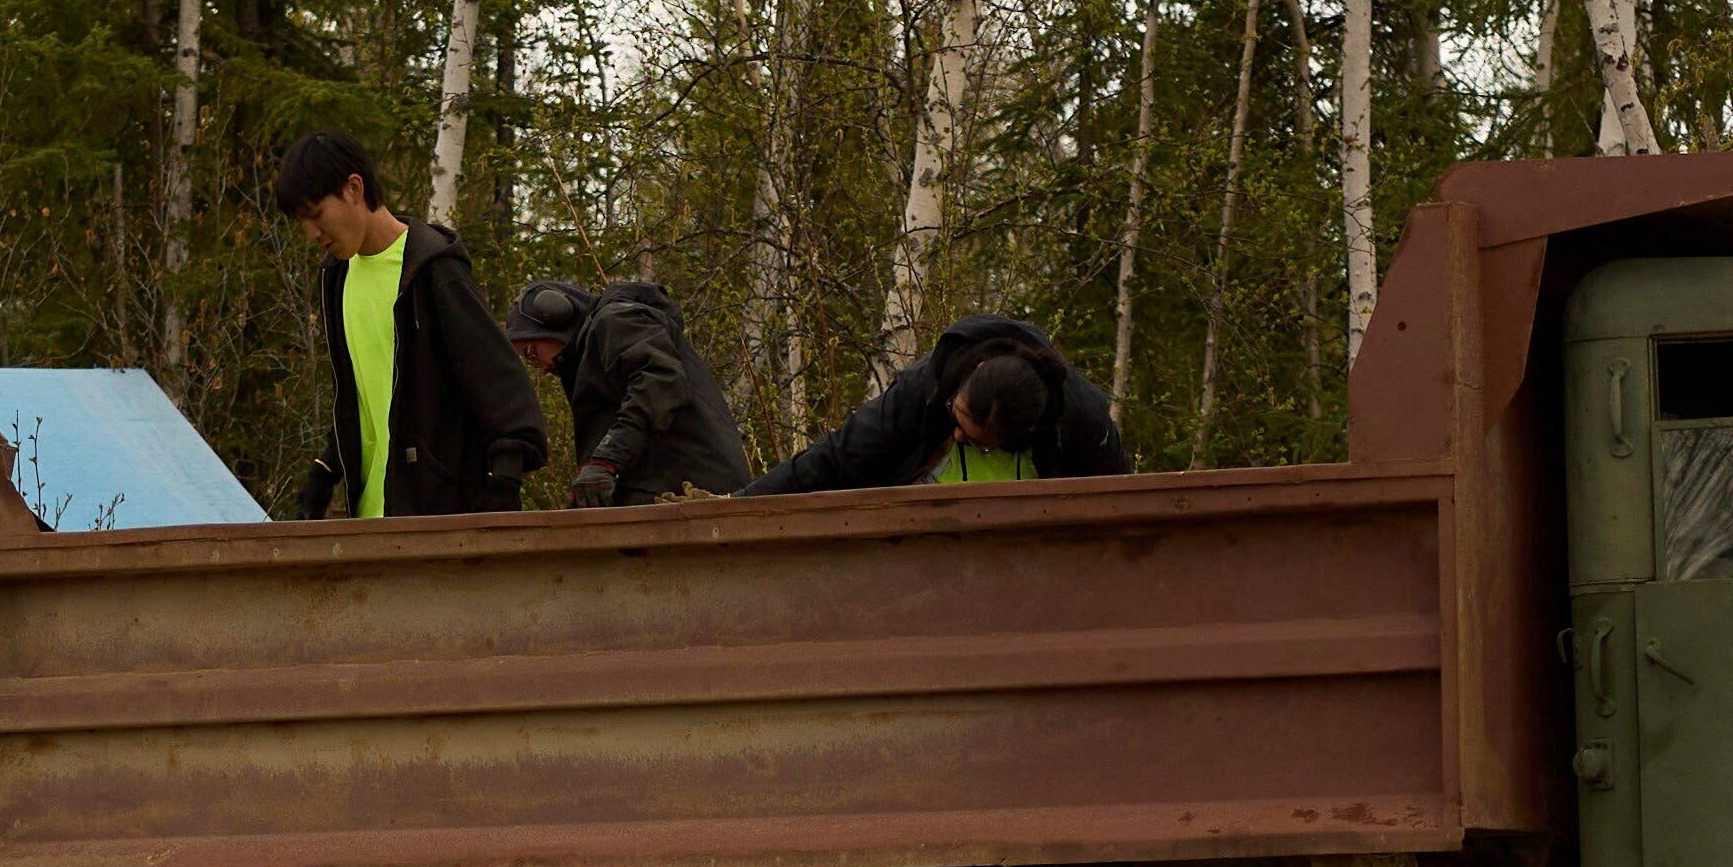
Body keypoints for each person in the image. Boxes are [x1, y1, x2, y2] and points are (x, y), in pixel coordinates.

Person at [272, 132, 541, 524]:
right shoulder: (336, 278)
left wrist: (502, 486)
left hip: (440, 521)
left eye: (316, 214)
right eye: (302, 222)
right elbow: (370, 399)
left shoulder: (431, 268)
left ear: (354, 188)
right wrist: (327, 468)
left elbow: (502, 387)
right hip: (370, 521)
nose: (311, 233)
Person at [742, 312, 1129, 494]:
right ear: (973, 371)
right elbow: (834, 460)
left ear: (1023, 433)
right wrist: (738, 505)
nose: (958, 435)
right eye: (956, 418)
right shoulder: (922, 391)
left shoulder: (1083, 422)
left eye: (977, 441)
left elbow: (1117, 506)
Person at [504, 275, 756, 506]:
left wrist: (605, 461)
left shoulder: (616, 321)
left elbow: (659, 382)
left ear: (556, 317)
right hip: (672, 496)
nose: (541, 368)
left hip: (693, 495)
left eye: (532, 353)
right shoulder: (593, 355)